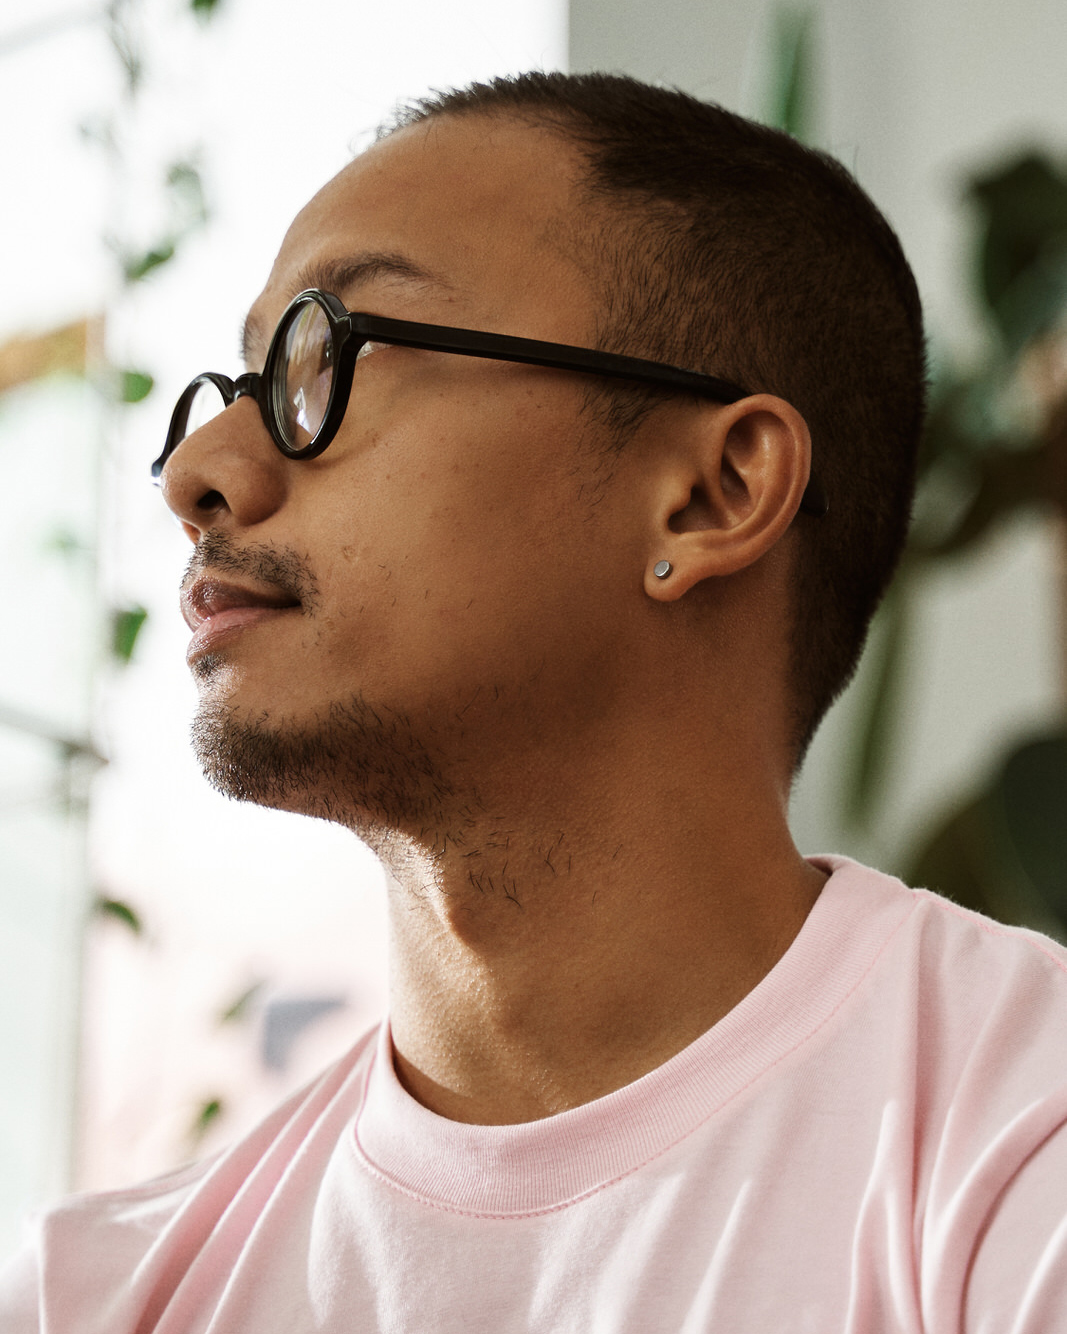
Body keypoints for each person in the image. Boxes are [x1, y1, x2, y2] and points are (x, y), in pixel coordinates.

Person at [4, 69, 1067, 1332]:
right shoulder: (94, 1295)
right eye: (241, 383)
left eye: (330, 358)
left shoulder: (1018, 1147)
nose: (197, 470)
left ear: (711, 493)